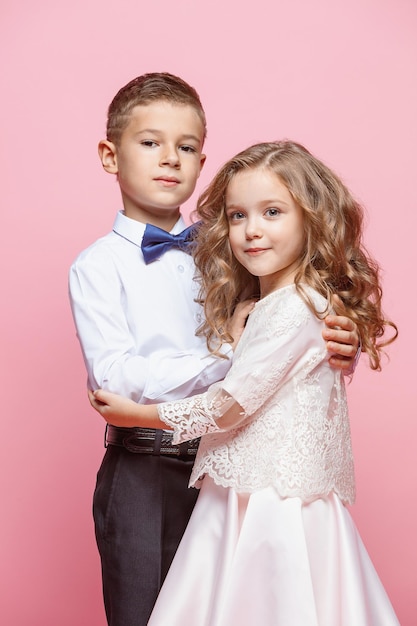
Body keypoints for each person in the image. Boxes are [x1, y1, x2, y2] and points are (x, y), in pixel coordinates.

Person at [69, 72, 359, 626]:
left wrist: (335, 344)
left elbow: (290, 336)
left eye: (187, 147)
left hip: (236, 474)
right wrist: (227, 364)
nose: (170, 159)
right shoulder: (98, 266)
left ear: (205, 162)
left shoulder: (239, 246)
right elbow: (118, 378)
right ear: (110, 155)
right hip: (148, 465)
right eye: (150, 143)